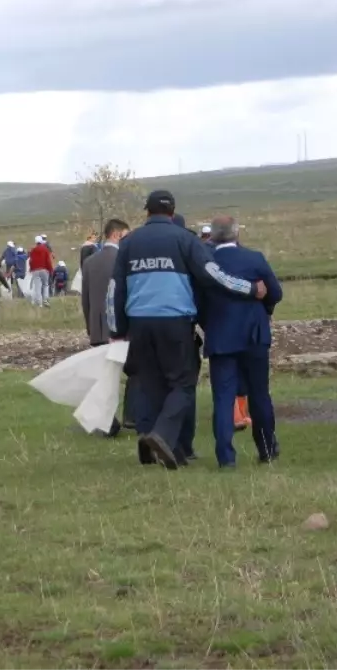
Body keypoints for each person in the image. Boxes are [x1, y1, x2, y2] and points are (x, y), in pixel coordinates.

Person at [109, 189, 267, 470]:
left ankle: (150, 441)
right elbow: (215, 276)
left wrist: (116, 329)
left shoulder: (129, 242)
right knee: (182, 383)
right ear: (172, 213)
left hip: (139, 325)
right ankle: (162, 437)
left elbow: (115, 290)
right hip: (174, 323)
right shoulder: (184, 240)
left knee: (150, 383)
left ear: (147, 211)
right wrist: (250, 288)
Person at [200, 216, 283, 469]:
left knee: (223, 397)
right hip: (254, 335)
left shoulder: (207, 263)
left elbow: (199, 302)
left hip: (221, 337)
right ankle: (267, 449)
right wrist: (264, 309)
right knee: (259, 393)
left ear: (212, 236)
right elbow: (276, 293)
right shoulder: (254, 259)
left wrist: (209, 324)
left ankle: (226, 457)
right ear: (237, 234)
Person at [82, 219, 136, 435]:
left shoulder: (90, 262)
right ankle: (131, 416)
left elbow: (85, 300)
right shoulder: (125, 260)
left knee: (104, 377)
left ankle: (106, 422)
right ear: (116, 235)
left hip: (97, 327)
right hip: (121, 328)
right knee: (133, 372)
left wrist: (91, 327)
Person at [28, 236, 54, 308]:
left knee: (37, 287)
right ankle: (45, 300)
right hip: (44, 269)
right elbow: (48, 260)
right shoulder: (45, 249)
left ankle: (40, 304)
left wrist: (31, 268)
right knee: (45, 285)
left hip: (35, 270)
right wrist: (51, 269)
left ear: (36, 242)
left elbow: (31, 261)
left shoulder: (33, 250)